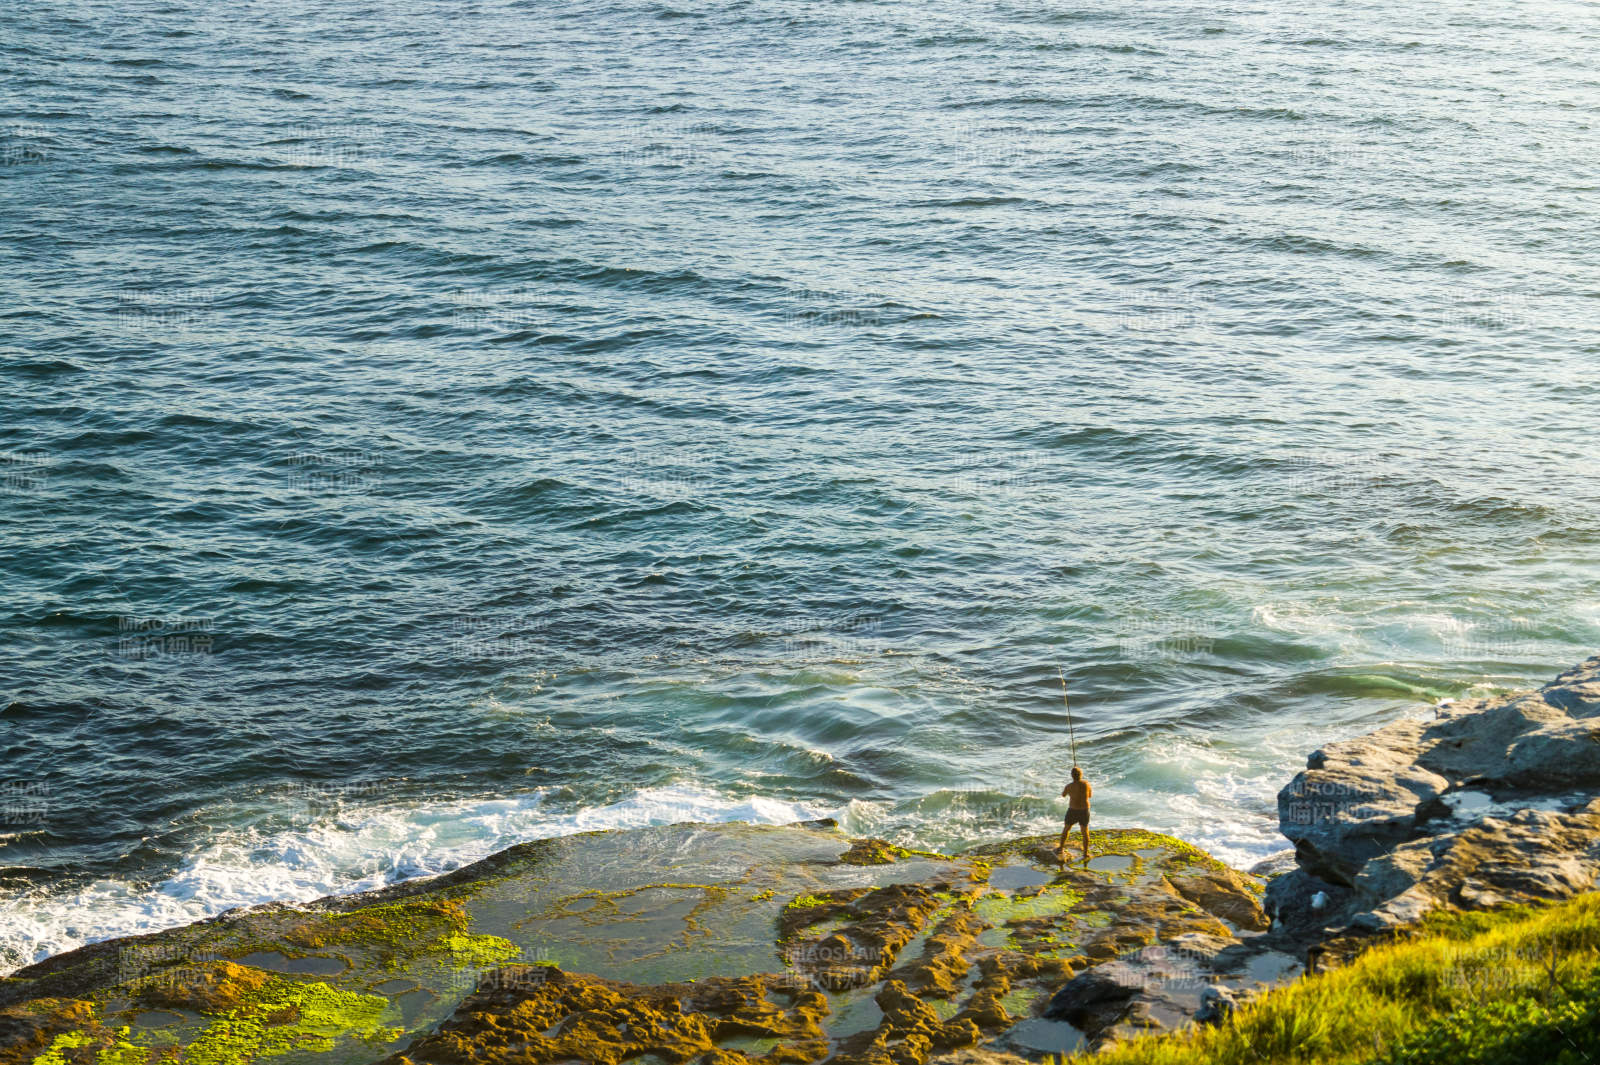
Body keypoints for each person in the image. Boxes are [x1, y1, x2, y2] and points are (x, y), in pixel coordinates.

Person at [1059, 766, 1091, 862]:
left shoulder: (1069, 786)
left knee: (1066, 829)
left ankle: (1061, 848)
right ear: (1081, 775)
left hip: (1073, 810)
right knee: (1085, 832)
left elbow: (1063, 795)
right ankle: (1085, 853)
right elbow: (1090, 795)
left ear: (1072, 776)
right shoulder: (1086, 784)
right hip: (1084, 810)